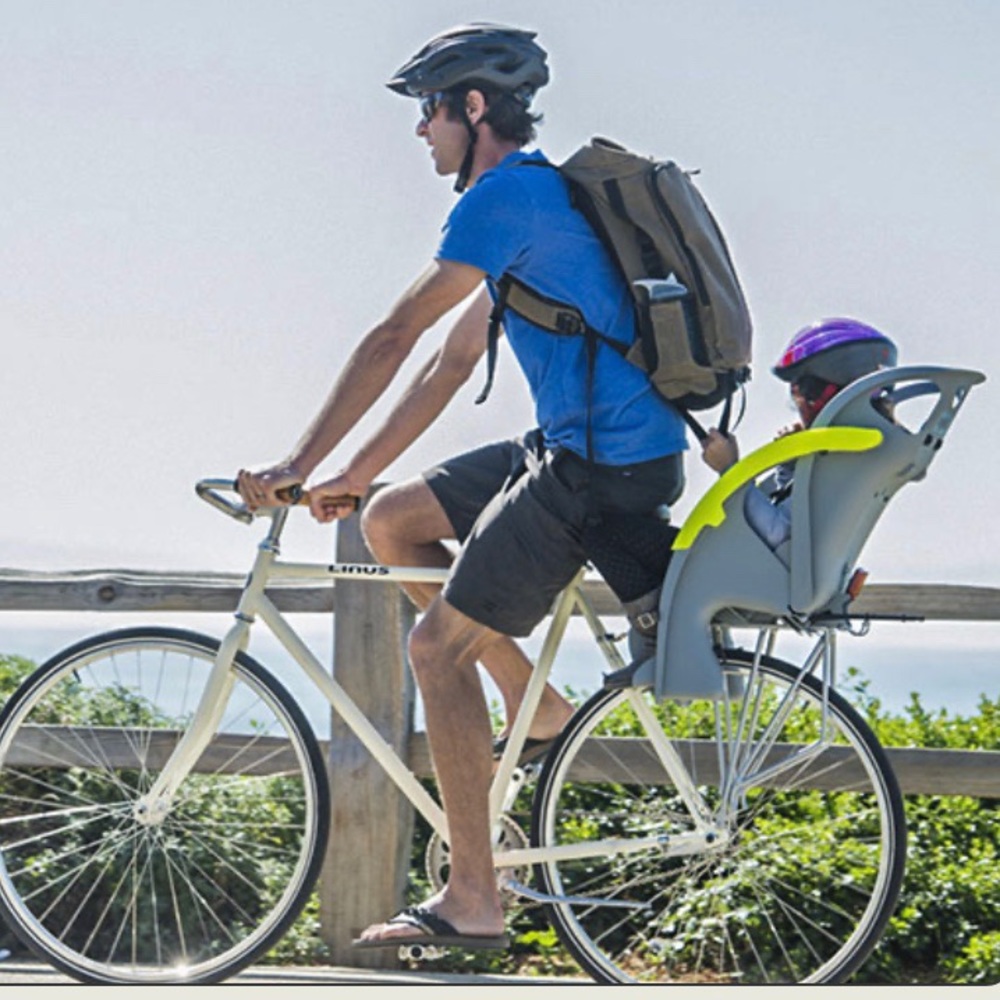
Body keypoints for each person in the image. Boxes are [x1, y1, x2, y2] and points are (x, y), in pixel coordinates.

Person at [237, 23, 688, 949]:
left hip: (599, 468)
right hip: (579, 444)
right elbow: (448, 362)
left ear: (472, 107)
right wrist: (354, 478)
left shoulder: (504, 200)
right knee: (393, 522)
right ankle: (539, 708)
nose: (420, 134)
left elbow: (392, 338)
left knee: (436, 653)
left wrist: (293, 464)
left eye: (428, 112)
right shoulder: (530, 203)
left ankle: (474, 898)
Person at [701, 318, 898, 552]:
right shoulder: (863, 455)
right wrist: (791, 466)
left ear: (819, 394)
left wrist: (729, 470)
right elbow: (799, 511)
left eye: (799, 392)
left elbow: (778, 535)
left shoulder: (842, 463)